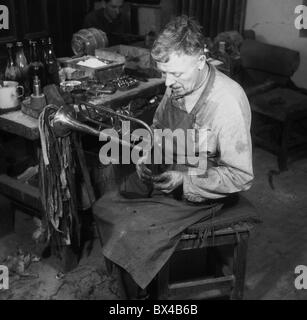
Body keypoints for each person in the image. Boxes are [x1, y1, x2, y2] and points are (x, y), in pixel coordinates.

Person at [93, 15, 254, 298]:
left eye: (176, 74)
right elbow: (158, 130)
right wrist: (146, 157)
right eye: (164, 72)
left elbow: (240, 175)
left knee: (129, 230)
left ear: (201, 60)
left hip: (207, 190)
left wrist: (185, 180)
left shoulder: (226, 102)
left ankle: (142, 296)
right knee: (106, 206)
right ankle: (133, 282)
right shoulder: (176, 87)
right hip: (171, 171)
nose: (168, 83)